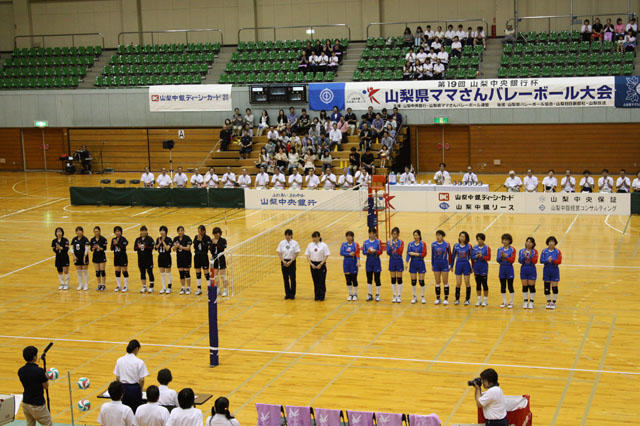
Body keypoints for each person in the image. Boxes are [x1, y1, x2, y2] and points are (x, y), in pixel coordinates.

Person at [18, 345, 53, 426]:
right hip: (38, 405)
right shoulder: (39, 371)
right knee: (48, 424)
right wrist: (46, 377)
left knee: (30, 424)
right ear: (34, 357)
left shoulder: (20, 371)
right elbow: (46, 386)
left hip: (26, 403)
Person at [114, 339, 148, 413]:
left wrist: (120, 389)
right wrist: (139, 390)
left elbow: (117, 378)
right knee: (135, 412)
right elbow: (142, 380)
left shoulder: (119, 360)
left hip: (123, 389)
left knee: (123, 411)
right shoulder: (139, 362)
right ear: (136, 349)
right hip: (134, 389)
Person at [305, 231, 330, 301]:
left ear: (319, 237)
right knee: (315, 281)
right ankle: (316, 295)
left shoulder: (323, 245)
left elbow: (326, 255)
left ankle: (322, 296)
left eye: (315, 237)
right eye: (313, 237)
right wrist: (311, 264)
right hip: (313, 264)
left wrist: (321, 264)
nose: (314, 239)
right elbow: (307, 255)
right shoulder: (310, 245)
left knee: (321, 281)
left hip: (321, 264)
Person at [277, 229, 300, 300]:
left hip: (291, 262)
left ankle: (292, 294)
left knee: (292, 279)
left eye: (289, 235)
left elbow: (297, 253)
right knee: (285, 278)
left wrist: (291, 261)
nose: (287, 236)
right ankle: (287, 294)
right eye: (286, 235)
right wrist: (283, 261)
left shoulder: (295, 243)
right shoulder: (282, 243)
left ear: (291, 235)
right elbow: (279, 252)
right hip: (284, 261)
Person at [405, 229, 427, 304]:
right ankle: (414, 297)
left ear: (419, 236)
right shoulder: (410, 244)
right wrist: (406, 262)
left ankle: (422, 296)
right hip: (413, 264)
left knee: (421, 281)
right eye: (414, 235)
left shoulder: (423, 244)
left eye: (417, 235)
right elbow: (408, 253)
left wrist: (414, 254)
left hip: (420, 263)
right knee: (413, 281)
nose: (415, 236)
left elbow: (424, 254)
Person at [451, 231, 473, 306]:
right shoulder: (456, 246)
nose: (462, 238)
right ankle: (457, 299)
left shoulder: (469, 246)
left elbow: (471, 257)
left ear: (466, 238)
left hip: (466, 265)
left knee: (467, 282)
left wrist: (472, 266)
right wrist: (451, 266)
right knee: (458, 283)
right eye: (461, 236)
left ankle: (467, 299)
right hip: (458, 265)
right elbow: (453, 256)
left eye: (463, 236)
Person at [541, 236, 562, 310]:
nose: (551, 243)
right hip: (546, 270)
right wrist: (547, 260)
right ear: (548, 243)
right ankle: (548, 301)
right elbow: (541, 260)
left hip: (554, 270)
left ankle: (554, 302)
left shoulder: (558, 251)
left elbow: (559, 261)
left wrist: (552, 260)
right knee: (546, 287)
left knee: (554, 287)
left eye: (553, 241)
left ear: (555, 243)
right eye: (550, 241)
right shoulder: (544, 251)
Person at [432, 229, 451, 305]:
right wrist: (432, 264)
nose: (438, 237)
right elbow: (432, 255)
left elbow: (450, 255)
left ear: (443, 236)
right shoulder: (433, 244)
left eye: (439, 235)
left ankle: (446, 299)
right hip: (436, 264)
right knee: (437, 282)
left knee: (445, 281)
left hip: (444, 264)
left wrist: (450, 265)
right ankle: (438, 298)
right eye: (437, 235)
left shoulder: (447, 244)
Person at [340, 231, 360, 301]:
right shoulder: (344, 244)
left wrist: (358, 262)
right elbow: (341, 252)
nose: (348, 237)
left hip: (353, 264)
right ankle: (350, 294)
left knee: (354, 279)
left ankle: (355, 294)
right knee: (348, 279)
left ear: (352, 237)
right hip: (346, 264)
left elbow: (357, 254)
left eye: (350, 236)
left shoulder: (355, 244)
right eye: (347, 236)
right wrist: (349, 254)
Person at [385, 227, 404, 303]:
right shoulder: (389, 242)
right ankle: (394, 295)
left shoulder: (401, 242)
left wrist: (395, 245)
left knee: (399, 279)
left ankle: (399, 295)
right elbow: (388, 253)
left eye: (395, 234)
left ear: (398, 234)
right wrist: (390, 246)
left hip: (399, 261)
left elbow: (400, 252)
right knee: (393, 279)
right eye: (393, 234)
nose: (394, 235)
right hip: (392, 261)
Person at [518, 237, 538, 310]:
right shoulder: (521, 251)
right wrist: (524, 257)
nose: (528, 243)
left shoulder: (534, 251)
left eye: (530, 242)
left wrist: (530, 256)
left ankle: (531, 302)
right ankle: (525, 301)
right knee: (524, 286)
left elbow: (535, 261)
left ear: (533, 244)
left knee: (531, 286)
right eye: (527, 241)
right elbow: (520, 261)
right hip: (524, 269)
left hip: (531, 269)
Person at [497, 233, 515, 309]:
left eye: (506, 240)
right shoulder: (499, 249)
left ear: (509, 241)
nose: (504, 241)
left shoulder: (512, 249)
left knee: (510, 286)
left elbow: (512, 260)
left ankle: (511, 302)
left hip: (509, 269)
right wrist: (501, 257)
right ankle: (504, 301)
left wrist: (506, 256)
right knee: (503, 286)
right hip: (502, 268)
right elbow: (498, 260)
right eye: (503, 240)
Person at [472, 233, 491, 307]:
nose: (479, 241)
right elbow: (472, 257)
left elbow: (488, 258)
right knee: (478, 284)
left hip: (484, 268)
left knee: (484, 284)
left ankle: (485, 300)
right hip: (476, 268)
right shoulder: (474, 248)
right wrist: (476, 256)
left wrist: (482, 256)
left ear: (483, 240)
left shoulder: (487, 248)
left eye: (480, 239)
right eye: (478, 239)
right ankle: (479, 300)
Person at [134, 225, 155, 293]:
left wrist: (146, 247)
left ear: (146, 231)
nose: (143, 232)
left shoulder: (150, 239)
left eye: (144, 231)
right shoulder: (138, 239)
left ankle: (151, 286)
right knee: (142, 272)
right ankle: (144, 286)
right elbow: (134, 248)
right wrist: (138, 247)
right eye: (142, 231)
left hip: (148, 258)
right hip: (140, 259)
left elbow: (152, 247)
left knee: (150, 272)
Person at [173, 226, 192, 295]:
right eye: (179, 231)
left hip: (187, 257)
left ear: (184, 231)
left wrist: (180, 246)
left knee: (187, 272)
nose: (180, 232)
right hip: (179, 257)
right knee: (181, 273)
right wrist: (175, 247)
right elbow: (173, 249)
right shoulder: (175, 239)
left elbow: (188, 248)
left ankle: (188, 288)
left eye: (181, 230)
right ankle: (183, 287)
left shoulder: (187, 238)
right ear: (177, 232)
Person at [193, 225, 211, 296]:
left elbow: (207, 247)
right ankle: (199, 289)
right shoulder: (196, 237)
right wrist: (198, 240)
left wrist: (201, 241)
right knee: (198, 273)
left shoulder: (207, 238)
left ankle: (209, 289)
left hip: (204, 256)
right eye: (198, 231)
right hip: (197, 256)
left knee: (206, 273)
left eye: (200, 231)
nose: (199, 233)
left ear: (204, 231)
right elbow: (195, 246)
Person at [210, 227, 228, 297]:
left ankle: (225, 290)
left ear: (220, 233)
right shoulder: (212, 240)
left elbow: (222, 248)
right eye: (215, 233)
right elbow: (211, 250)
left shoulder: (223, 240)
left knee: (223, 275)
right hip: (215, 260)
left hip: (221, 259)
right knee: (215, 276)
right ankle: (218, 289)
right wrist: (213, 244)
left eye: (217, 233)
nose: (216, 235)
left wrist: (217, 243)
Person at [111, 226, 129, 292]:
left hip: (123, 257)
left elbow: (123, 247)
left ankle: (126, 286)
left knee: (124, 271)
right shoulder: (113, 239)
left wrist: (117, 244)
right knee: (117, 271)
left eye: (118, 231)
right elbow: (111, 248)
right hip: (116, 257)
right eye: (116, 231)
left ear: (121, 232)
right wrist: (113, 244)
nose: (117, 233)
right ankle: (119, 285)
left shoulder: (123, 239)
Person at [71, 226, 90, 291]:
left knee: (85, 270)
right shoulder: (74, 239)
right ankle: (80, 284)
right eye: (77, 231)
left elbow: (87, 248)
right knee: (79, 271)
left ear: (82, 232)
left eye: (80, 230)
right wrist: (73, 255)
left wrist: (84, 256)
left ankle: (86, 284)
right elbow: (71, 248)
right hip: (77, 257)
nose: (78, 232)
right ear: (76, 232)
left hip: (84, 257)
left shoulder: (85, 239)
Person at [156, 226, 173, 294]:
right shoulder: (158, 239)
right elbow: (156, 247)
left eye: (163, 231)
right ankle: (163, 287)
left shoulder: (169, 239)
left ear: (166, 232)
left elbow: (167, 248)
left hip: (167, 257)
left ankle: (169, 287)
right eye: (161, 231)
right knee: (162, 273)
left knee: (168, 273)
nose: (162, 232)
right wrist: (159, 243)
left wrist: (163, 242)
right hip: (160, 257)